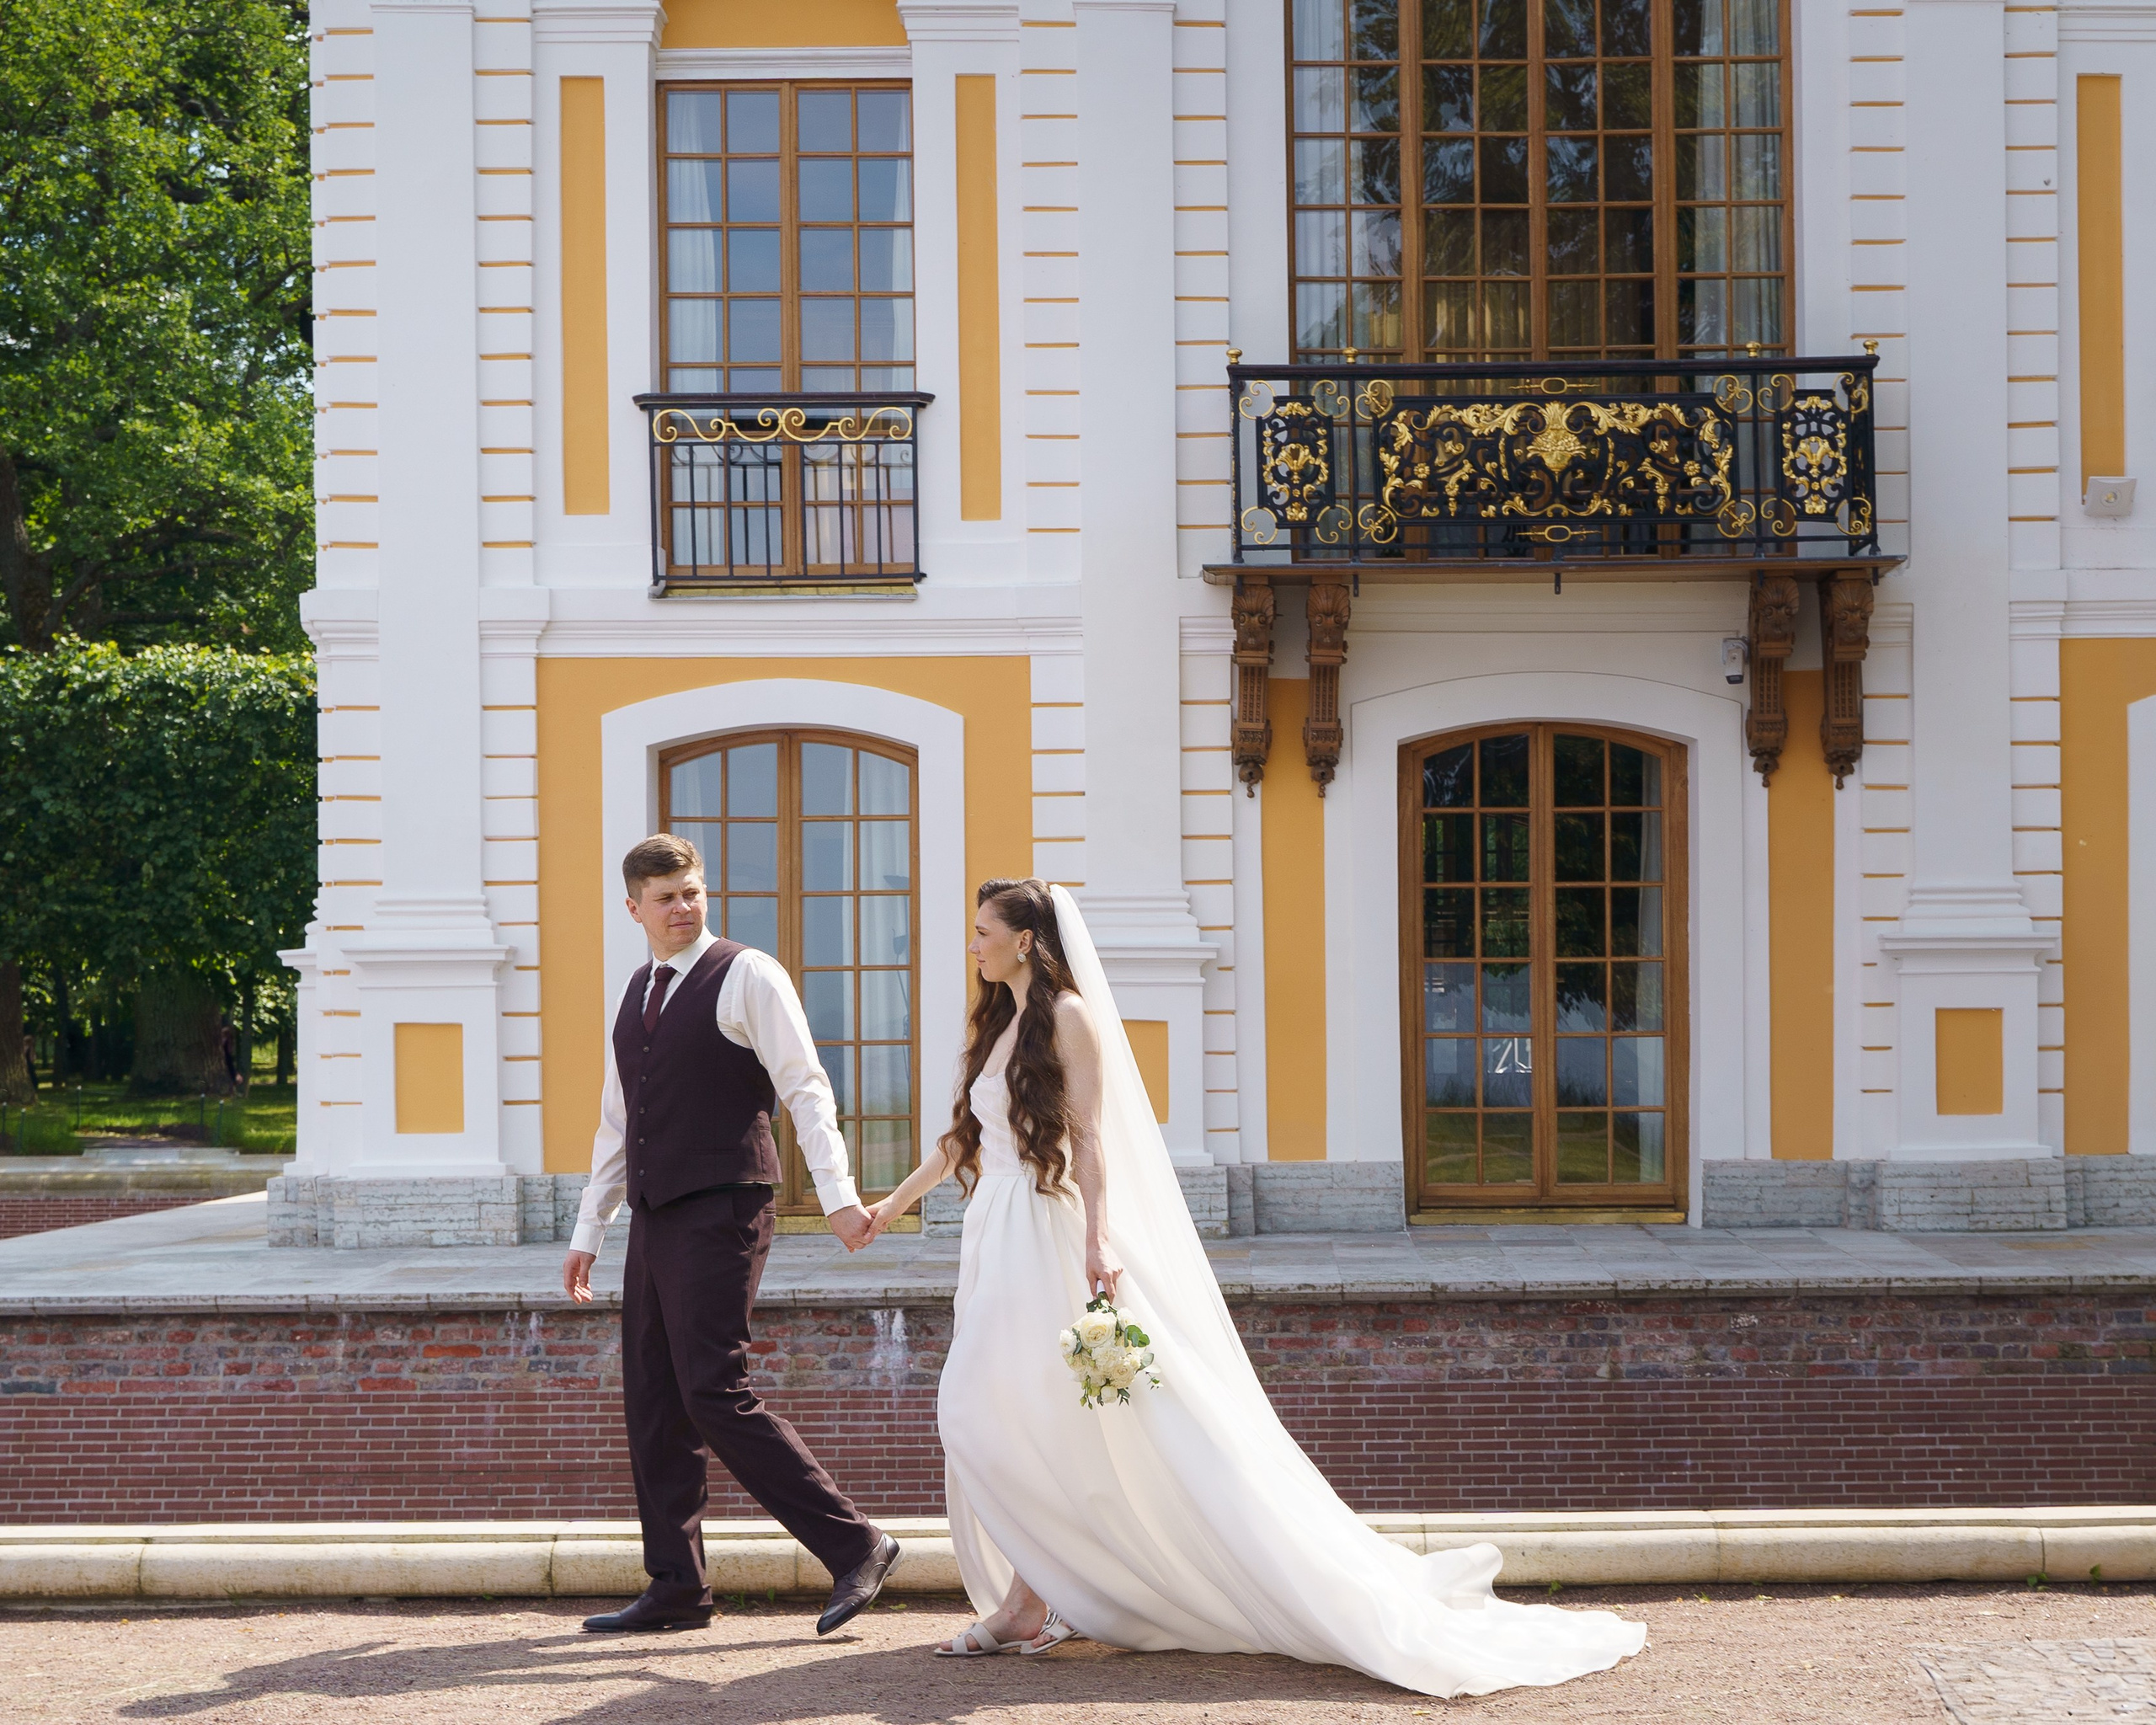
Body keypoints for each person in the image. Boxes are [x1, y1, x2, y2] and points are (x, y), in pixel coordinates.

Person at [862, 879, 1646, 1696]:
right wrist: (889, 1205)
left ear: (1025, 939)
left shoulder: (1071, 1019)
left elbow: (1091, 1139)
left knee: (1004, 1410)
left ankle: (1032, 1599)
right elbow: (962, 1138)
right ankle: (1033, 1596)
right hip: (997, 1237)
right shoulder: (996, 1023)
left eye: (982, 929)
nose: (972, 942)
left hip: (1048, 1235)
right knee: (996, 1409)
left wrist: (1097, 1240)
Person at [562, 833, 903, 1636]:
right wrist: (591, 1230)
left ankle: (857, 1544)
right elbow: (619, 1124)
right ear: (634, 909)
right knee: (652, 1399)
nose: (683, 908)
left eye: (692, 892)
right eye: (666, 897)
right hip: (655, 1214)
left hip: (724, 1206)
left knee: (714, 1389)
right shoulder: (637, 991)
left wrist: (841, 1198)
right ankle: (677, 1587)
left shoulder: (748, 974)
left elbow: (806, 1090)